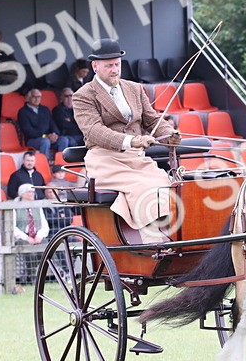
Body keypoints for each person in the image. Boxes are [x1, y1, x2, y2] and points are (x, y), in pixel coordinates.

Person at [72, 39, 178, 236]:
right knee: (144, 187)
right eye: (109, 65)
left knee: (167, 182)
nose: (114, 70)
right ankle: (153, 240)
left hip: (136, 159)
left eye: (117, 64)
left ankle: (172, 233)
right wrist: (131, 141)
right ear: (95, 67)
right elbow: (94, 131)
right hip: (105, 160)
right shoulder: (83, 96)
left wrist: (168, 134)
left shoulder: (134, 88)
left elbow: (152, 120)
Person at [12, 182, 49, 285]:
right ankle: (32, 276)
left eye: (33, 192)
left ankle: (34, 274)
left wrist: (39, 236)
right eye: (29, 192)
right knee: (30, 251)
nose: (33, 194)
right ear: (22, 194)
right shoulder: (14, 207)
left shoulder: (37, 207)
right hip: (22, 237)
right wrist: (26, 238)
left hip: (36, 236)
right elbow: (12, 227)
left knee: (46, 248)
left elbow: (44, 225)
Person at [16, 88, 66, 160]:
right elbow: (28, 131)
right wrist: (45, 136)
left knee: (63, 140)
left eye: (39, 97)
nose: (37, 99)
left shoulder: (45, 109)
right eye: (34, 97)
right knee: (45, 141)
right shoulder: (23, 112)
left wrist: (55, 134)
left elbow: (52, 124)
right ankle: (44, 162)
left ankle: (61, 162)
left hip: (48, 138)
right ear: (28, 98)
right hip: (32, 140)